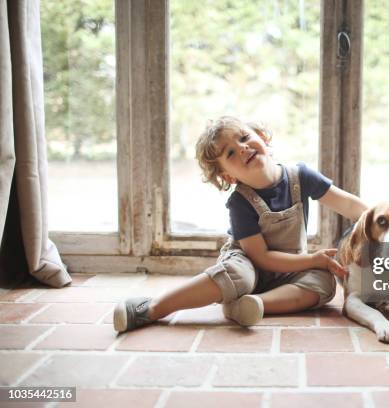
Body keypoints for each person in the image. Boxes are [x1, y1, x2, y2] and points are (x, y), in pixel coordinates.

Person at [113, 116, 368, 332]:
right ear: (227, 175)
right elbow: (262, 257)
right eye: (230, 152)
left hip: (290, 266)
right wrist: (313, 258)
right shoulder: (240, 202)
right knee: (239, 275)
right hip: (248, 261)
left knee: (324, 282)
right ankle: (154, 308)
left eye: (244, 138)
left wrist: (382, 222)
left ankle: (251, 305)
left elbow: (349, 206)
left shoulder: (301, 176)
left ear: (263, 138)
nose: (242, 148)